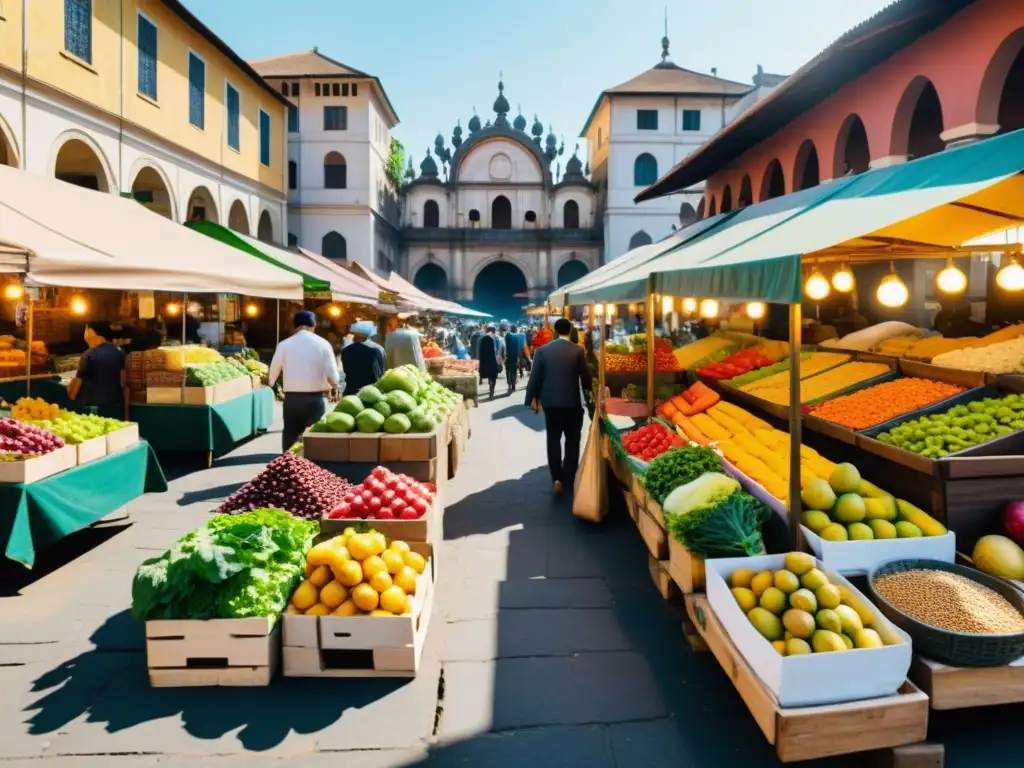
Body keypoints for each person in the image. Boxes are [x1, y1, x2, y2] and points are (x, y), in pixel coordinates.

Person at [524, 317, 592, 496]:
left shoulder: (542, 351)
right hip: (572, 403)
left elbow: (535, 377)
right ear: (570, 331)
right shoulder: (578, 350)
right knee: (573, 440)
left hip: (551, 403)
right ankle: (569, 476)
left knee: (553, 440)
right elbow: (585, 377)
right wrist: (591, 394)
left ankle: (557, 478)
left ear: (555, 330)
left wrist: (532, 398)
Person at [268, 310, 340, 452]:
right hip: (315, 399)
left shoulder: (284, 344)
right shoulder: (323, 344)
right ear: (313, 326)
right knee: (314, 436)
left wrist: (271, 383)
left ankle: (288, 465)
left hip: (292, 400)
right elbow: (331, 371)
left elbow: (274, 370)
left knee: (290, 434)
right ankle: (312, 467)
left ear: (295, 326)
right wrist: (335, 386)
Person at [71, 323, 126, 415]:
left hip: (92, 405)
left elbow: (78, 383)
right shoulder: (120, 352)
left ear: (91, 332)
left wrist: (71, 398)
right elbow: (123, 380)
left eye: (86, 329)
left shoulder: (89, 354)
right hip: (115, 403)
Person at [340, 320, 385, 396]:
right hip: (372, 393)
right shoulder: (377, 349)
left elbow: (346, 371)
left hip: (351, 392)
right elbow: (381, 371)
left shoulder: (346, 350)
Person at [477, 324, 502, 399]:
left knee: (489, 374)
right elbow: (498, 349)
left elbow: (479, 350)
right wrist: (499, 360)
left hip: (485, 359)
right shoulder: (497, 338)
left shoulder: (482, 338)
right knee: (493, 375)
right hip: (494, 359)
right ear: (493, 330)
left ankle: (490, 386)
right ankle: (492, 389)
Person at [503, 324, 527, 393]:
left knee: (508, 370)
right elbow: (521, 347)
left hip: (508, 357)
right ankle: (513, 385)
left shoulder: (506, 337)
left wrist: (504, 357)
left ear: (510, 329)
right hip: (515, 356)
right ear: (516, 329)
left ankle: (509, 383)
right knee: (514, 370)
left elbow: (504, 348)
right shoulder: (519, 337)